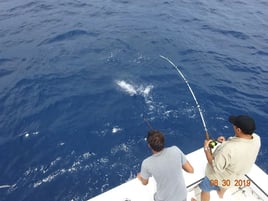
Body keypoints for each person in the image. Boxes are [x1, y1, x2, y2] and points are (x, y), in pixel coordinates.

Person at [199, 115, 261, 201]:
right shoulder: (257, 139)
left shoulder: (229, 149)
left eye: (234, 125)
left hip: (218, 178)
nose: (233, 126)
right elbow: (239, 150)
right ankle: (220, 195)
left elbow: (214, 166)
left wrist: (206, 148)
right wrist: (225, 142)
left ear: (238, 130)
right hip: (234, 178)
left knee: (205, 189)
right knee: (225, 185)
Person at [137, 130, 194, 201]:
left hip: (164, 199)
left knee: (155, 196)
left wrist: (140, 177)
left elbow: (145, 183)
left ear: (149, 145)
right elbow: (191, 170)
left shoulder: (146, 163)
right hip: (182, 196)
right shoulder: (175, 150)